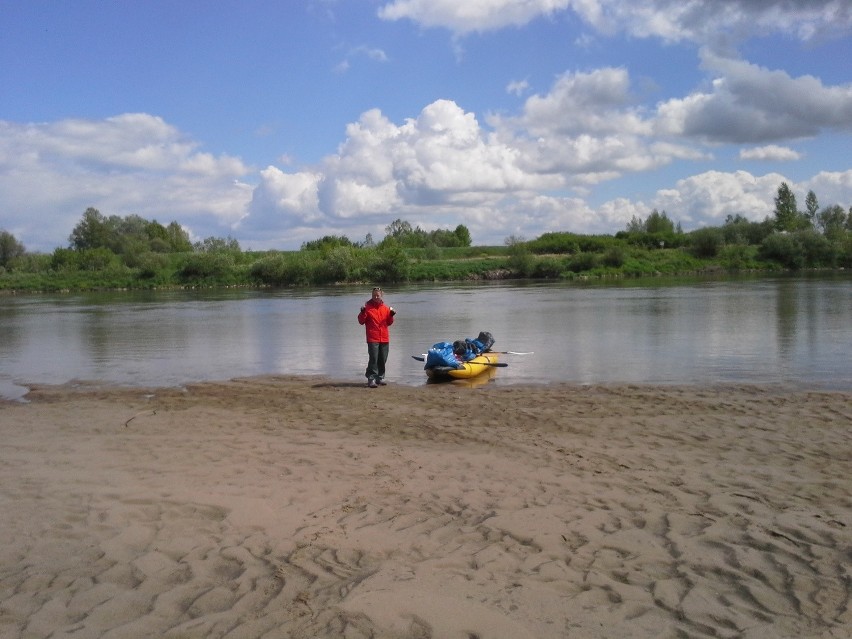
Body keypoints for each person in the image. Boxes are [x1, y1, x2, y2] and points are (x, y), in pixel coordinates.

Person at [357, 286, 395, 388]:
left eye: (378, 295)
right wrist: (362, 312)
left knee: (383, 358)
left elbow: (389, 322)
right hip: (372, 337)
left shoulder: (386, 308)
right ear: (372, 296)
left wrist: (391, 315)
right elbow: (361, 321)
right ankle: (371, 379)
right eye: (374, 295)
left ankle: (380, 378)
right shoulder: (367, 307)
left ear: (381, 295)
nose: (376, 297)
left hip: (384, 337)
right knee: (373, 358)